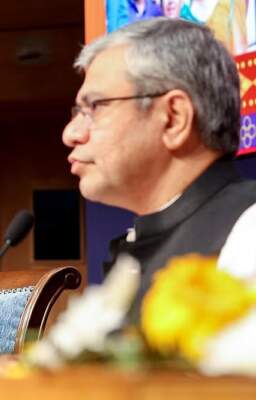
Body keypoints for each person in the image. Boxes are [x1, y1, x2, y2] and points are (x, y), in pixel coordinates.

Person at [63, 17, 256, 314]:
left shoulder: (248, 232)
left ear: (174, 118)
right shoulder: (135, 245)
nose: (70, 134)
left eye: (95, 107)